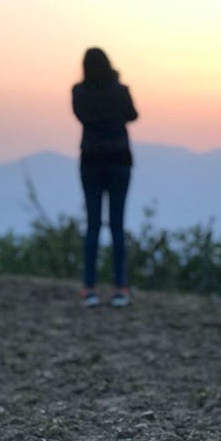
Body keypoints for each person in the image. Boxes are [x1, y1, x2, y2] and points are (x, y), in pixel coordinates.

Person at [72, 47, 138, 308]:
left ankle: (89, 288)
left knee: (93, 226)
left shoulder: (79, 92)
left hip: (90, 161)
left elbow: (81, 116)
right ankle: (120, 288)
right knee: (117, 226)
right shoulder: (120, 91)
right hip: (119, 161)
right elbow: (132, 115)